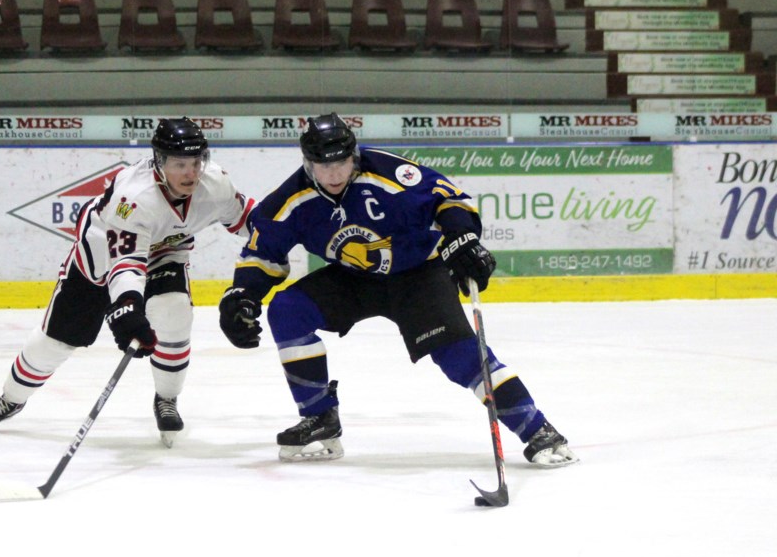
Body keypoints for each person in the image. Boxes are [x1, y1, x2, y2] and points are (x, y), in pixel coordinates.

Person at [218, 113, 577, 466]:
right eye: (322, 166)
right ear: (307, 163)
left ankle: (537, 429)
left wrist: (462, 237)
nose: (333, 174)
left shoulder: (390, 173)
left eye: (341, 163)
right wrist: (243, 295)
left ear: (353, 155)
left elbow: (448, 199)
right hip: (353, 280)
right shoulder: (291, 198)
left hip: (418, 276)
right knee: (288, 310)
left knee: (459, 358)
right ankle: (319, 417)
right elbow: (263, 253)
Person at [0, 117, 254, 447]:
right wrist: (128, 306)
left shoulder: (214, 183)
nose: (191, 173)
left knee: (174, 312)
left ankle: (166, 399)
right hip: (100, 257)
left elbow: (250, 221)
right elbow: (126, 265)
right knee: (55, 342)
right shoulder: (134, 197)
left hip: (164, 252)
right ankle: (11, 399)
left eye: (196, 162)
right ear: (159, 162)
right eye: (180, 164)